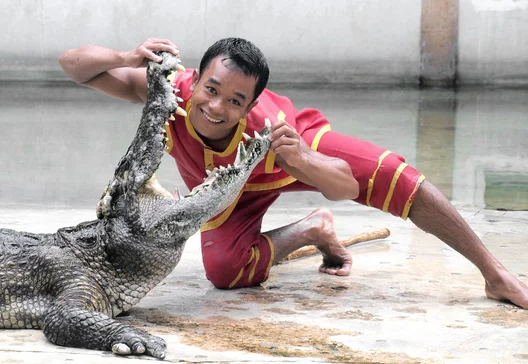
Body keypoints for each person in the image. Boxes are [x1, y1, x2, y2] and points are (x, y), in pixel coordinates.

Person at [59, 37, 528, 309]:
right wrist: (125, 57)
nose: (216, 107)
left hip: (289, 154)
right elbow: (73, 66)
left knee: (399, 178)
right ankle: (311, 229)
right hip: (228, 190)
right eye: (211, 89)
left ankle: (496, 275)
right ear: (197, 79)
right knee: (224, 272)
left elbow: (346, 185)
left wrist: (301, 160)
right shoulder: (174, 91)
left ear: (251, 104)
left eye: (235, 101)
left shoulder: (273, 128)